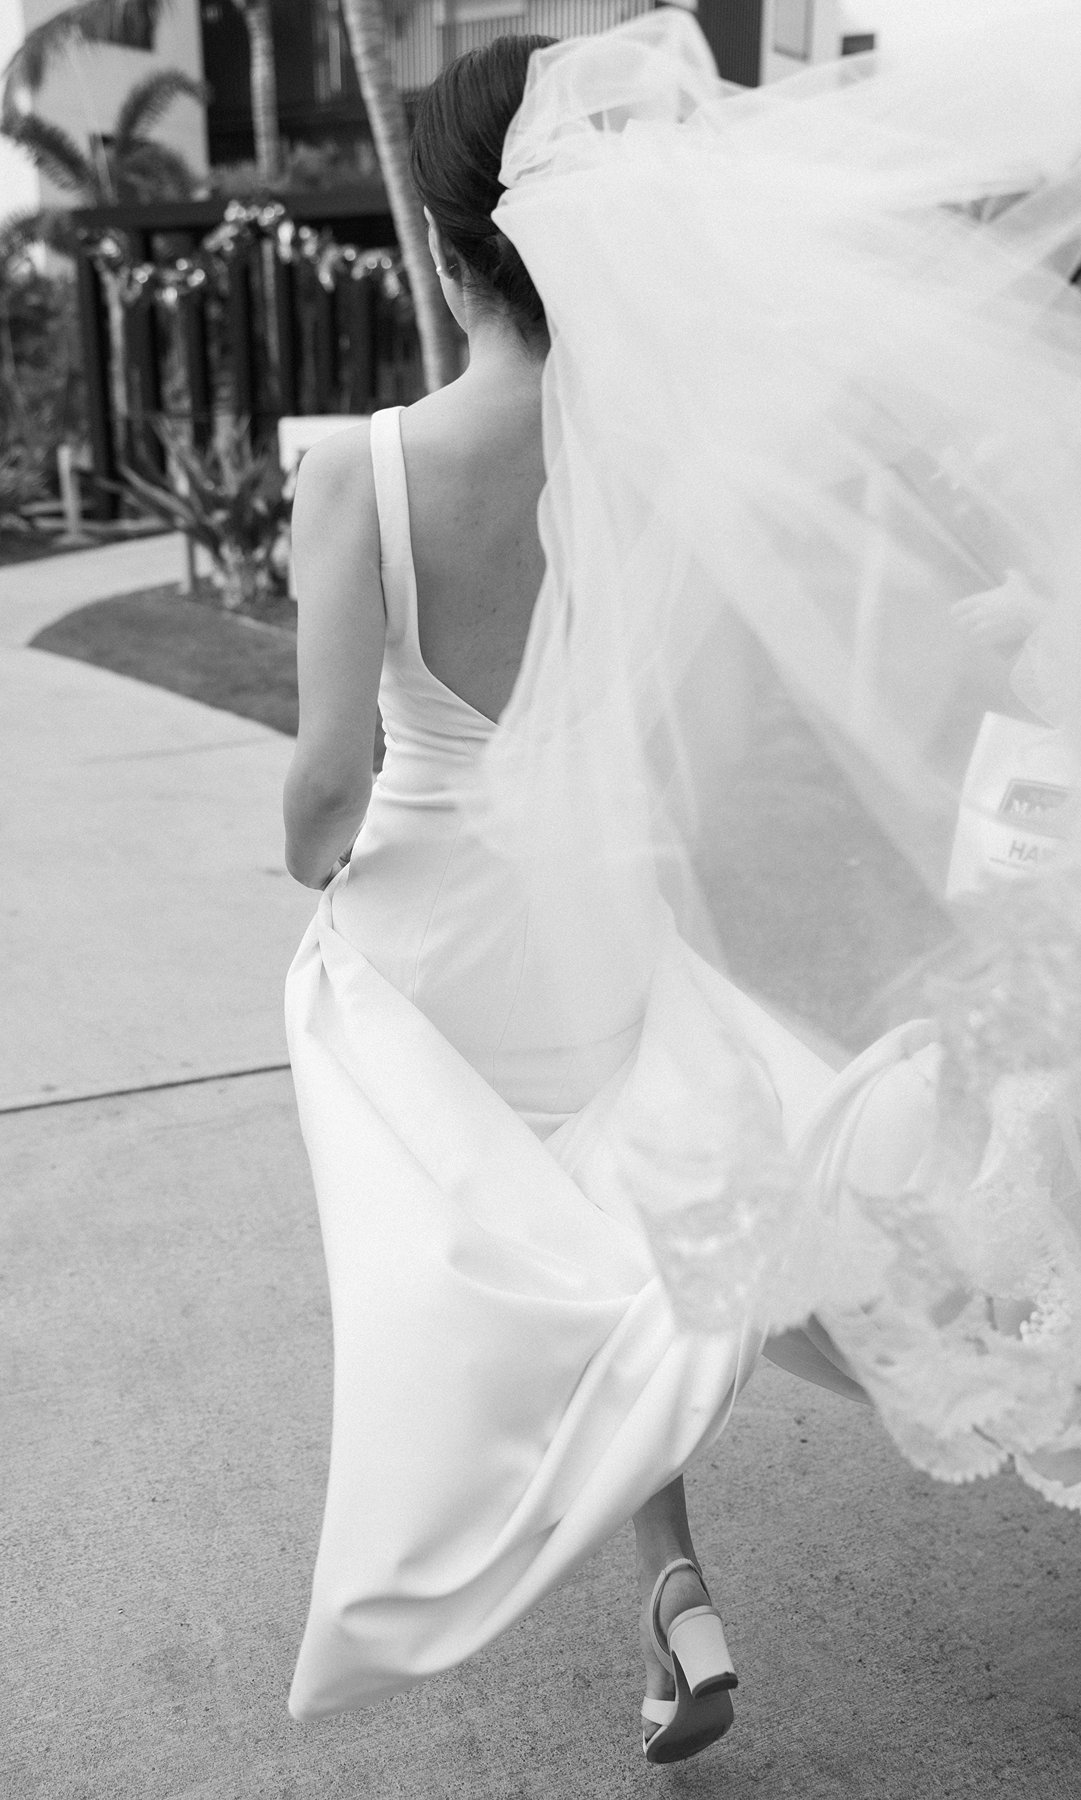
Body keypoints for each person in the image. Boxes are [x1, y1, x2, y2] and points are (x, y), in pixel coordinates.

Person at [283, 4, 1081, 1761]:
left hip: (427, 918)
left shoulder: (360, 470)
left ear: (444, 232)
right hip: (597, 901)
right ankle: (701, 1570)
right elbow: (708, 716)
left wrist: (309, 866)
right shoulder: (656, 465)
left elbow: (325, 782)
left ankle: (668, 1584)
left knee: (529, 1252)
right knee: (674, 1216)